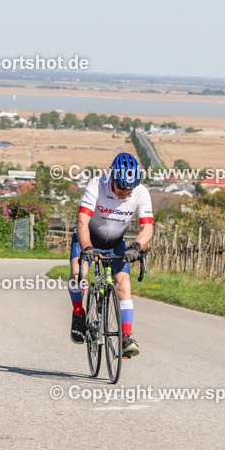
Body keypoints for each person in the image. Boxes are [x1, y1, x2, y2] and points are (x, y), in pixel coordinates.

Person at [68, 151, 153, 357]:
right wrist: (87, 247)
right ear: (112, 178)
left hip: (116, 244)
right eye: (122, 187)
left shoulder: (141, 193)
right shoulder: (97, 185)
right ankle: (79, 314)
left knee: (123, 282)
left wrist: (135, 247)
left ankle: (125, 338)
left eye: (130, 188)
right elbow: (82, 221)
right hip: (87, 239)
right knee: (78, 272)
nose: (126, 192)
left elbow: (147, 229)